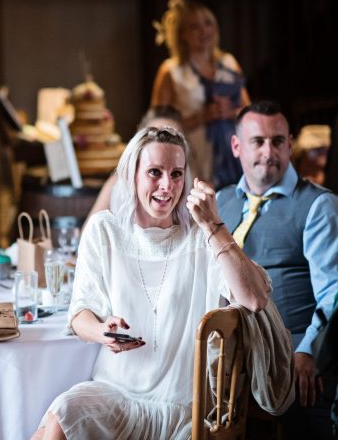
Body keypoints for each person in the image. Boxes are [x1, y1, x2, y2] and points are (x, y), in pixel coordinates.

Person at [33, 126, 271, 440]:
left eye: (176, 174)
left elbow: (254, 300)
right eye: (154, 172)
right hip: (114, 392)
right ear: (132, 175)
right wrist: (103, 332)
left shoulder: (202, 237)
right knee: (61, 414)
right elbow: (80, 315)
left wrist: (214, 225)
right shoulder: (104, 230)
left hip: (183, 406)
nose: (166, 186)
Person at [217, 101, 338, 438]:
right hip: (226, 354)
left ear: (289, 145)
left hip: (290, 350)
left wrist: (307, 350)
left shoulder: (317, 205)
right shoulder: (219, 202)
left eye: (278, 141)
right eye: (258, 141)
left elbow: (334, 294)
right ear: (237, 146)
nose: (268, 152)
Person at [151, 0, 250, 189]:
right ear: (182, 35)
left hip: (232, 152)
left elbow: (249, 112)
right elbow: (155, 129)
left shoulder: (229, 63)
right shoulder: (171, 71)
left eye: (208, 23)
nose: (203, 31)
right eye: (194, 27)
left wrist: (229, 112)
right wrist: (201, 118)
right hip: (194, 156)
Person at [85, 105, 185, 223]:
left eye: (171, 136)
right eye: (154, 134)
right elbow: (88, 233)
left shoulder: (196, 185)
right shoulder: (117, 182)